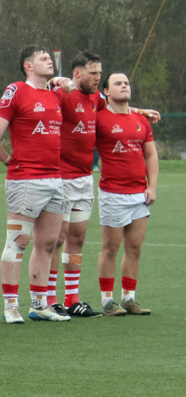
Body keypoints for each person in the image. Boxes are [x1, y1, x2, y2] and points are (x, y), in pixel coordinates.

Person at [0, 45, 71, 323]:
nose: (49, 62)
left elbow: (92, 96)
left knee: (48, 243)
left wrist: (66, 84)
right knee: (18, 241)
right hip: (26, 179)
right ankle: (10, 306)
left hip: (55, 179)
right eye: (42, 59)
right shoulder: (16, 91)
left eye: (49, 58)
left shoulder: (56, 95)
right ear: (28, 65)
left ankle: (39, 304)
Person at [94, 72, 157, 316]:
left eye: (127, 82)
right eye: (118, 83)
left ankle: (129, 298)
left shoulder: (141, 120)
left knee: (135, 248)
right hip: (113, 194)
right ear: (106, 91)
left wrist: (151, 187)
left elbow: (150, 155)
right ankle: (108, 301)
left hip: (139, 194)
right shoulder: (99, 118)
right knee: (110, 248)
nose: (124, 86)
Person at [48, 51, 105, 318]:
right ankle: (50, 298)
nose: (98, 78)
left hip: (84, 178)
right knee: (56, 240)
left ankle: (72, 299)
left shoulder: (96, 98)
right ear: (78, 72)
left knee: (77, 239)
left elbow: (116, 110)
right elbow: (44, 90)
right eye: (93, 73)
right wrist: (58, 80)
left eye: (100, 73)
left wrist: (140, 112)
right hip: (61, 178)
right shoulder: (64, 93)